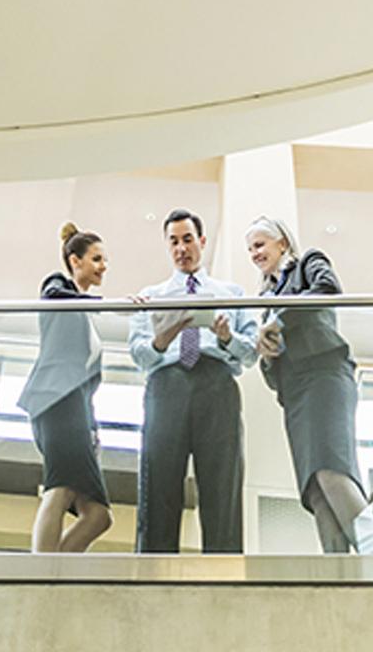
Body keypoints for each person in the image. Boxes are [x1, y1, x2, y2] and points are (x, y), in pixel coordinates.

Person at [128, 209, 257, 553]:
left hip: (217, 384)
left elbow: (250, 354)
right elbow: (139, 355)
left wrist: (227, 337)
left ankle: (223, 570)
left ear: (202, 241)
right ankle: (153, 570)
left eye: (187, 239)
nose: (181, 248)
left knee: (222, 483)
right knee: (158, 482)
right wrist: (162, 338)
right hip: (166, 384)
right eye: (173, 242)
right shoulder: (151, 296)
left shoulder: (231, 293)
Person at [246, 215, 369, 555]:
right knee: (315, 489)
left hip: (324, 377)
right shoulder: (266, 302)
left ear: (282, 243)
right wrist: (267, 355)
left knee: (332, 472)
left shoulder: (307, 263)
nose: (255, 254)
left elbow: (328, 289)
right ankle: (338, 574)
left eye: (260, 245)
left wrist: (279, 321)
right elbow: (273, 377)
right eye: (250, 249)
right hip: (295, 393)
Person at [18, 223, 112, 553]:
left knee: (98, 515)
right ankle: (41, 572)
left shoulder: (88, 319)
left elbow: (86, 385)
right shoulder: (58, 285)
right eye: (97, 259)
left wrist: (93, 428)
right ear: (75, 261)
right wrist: (99, 303)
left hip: (76, 410)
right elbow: (53, 297)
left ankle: (54, 568)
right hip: (54, 400)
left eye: (105, 260)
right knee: (59, 487)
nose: (103, 266)